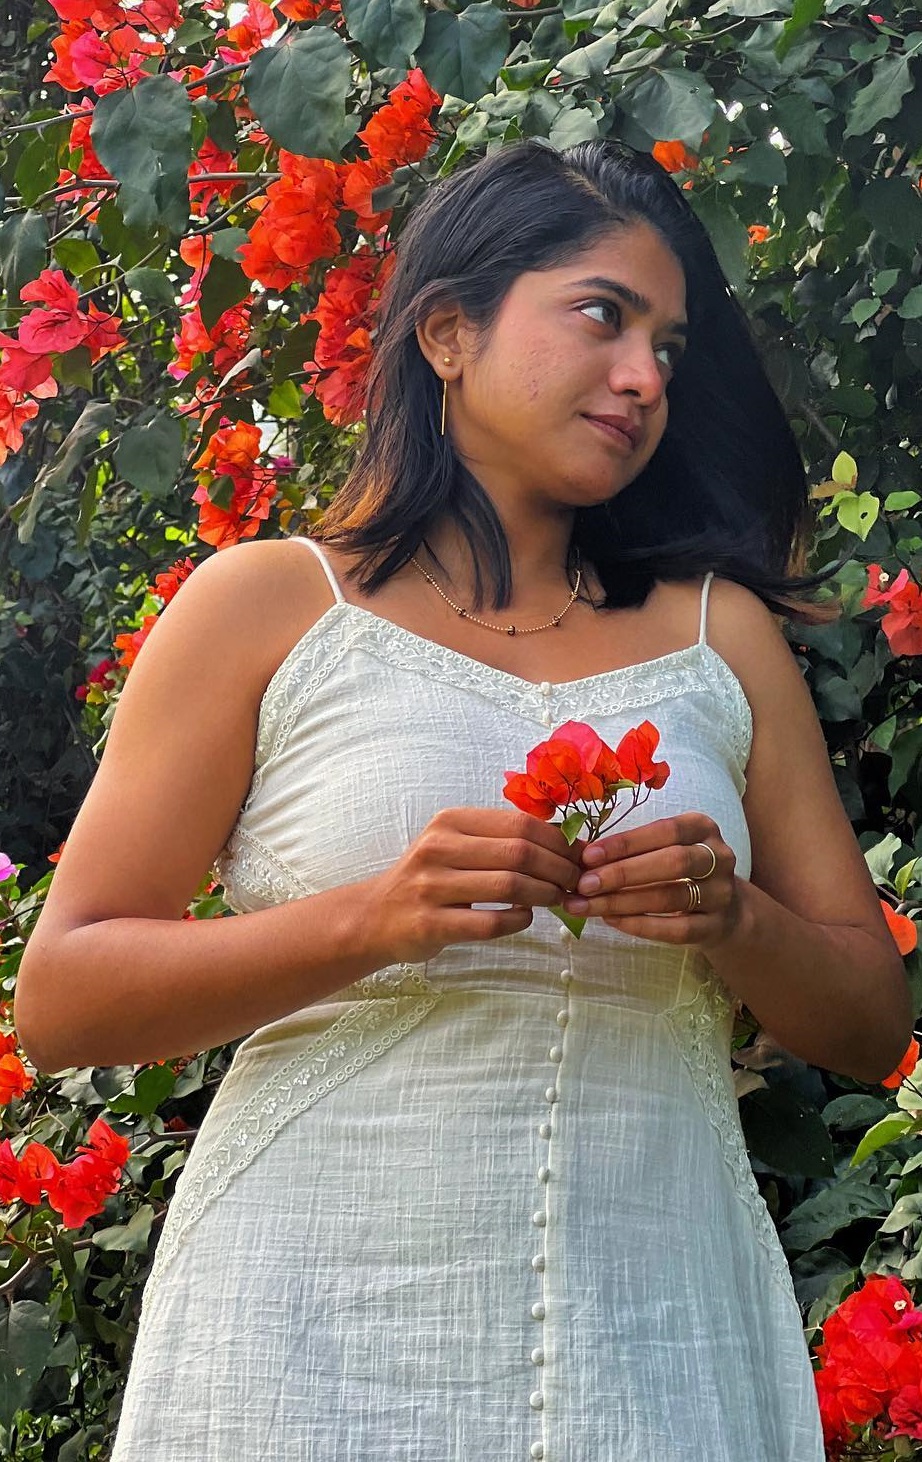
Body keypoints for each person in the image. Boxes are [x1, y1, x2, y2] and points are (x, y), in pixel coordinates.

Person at [16, 139, 912, 1460]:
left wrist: (735, 920)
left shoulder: (719, 638)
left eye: (667, 348)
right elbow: (61, 1001)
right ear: (447, 331)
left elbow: (869, 1022)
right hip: (311, 1333)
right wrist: (374, 918)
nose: (643, 377)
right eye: (602, 315)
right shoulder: (270, 606)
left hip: (655, 1328)